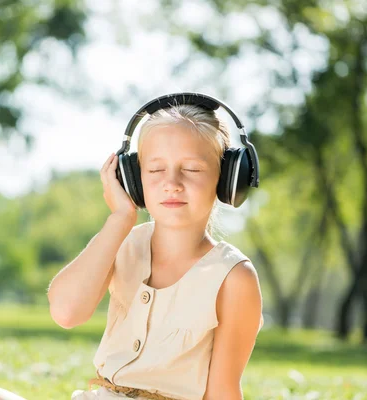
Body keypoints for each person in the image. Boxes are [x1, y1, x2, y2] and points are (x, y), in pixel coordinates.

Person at [48, 100, 263, 400]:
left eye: (191, 168)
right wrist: (120, 218)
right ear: (134, 180)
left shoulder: (233, 278)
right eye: (156, 169)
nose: (172, 183)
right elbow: (66, 312)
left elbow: (223, 391)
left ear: (227, 179)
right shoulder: (124, 243)